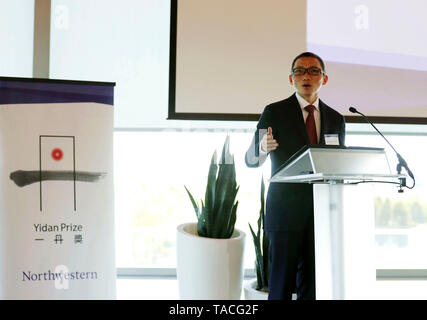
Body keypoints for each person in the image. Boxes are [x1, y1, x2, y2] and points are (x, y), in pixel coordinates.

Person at [245, 52, 346, 300]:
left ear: (325, 78)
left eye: (313, 71)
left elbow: (339, 164)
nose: (306, 76)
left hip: (321, 213)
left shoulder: (336, 118)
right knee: (280, 285)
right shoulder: (274, 112)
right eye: (299, 71)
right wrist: (261, 148)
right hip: (285, 212)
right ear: (291, 79)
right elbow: (250, 160)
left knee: (313, 286)